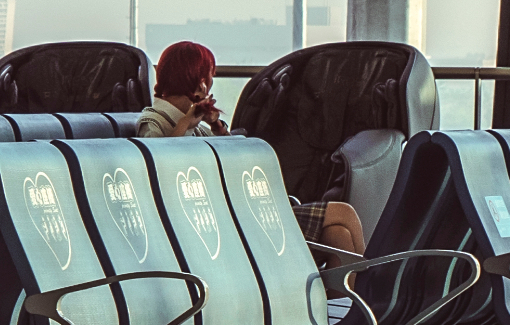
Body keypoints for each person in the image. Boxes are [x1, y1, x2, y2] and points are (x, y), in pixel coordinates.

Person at [141, 41, 359, 254]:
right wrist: (184, 124)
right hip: (228, 219)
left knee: (339, 235)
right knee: (343, 213)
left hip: (234, 211)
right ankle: (372, 287)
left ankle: (345, 291)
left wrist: (215, 125)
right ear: (201, 82)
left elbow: (229, 159)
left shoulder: (195, 125)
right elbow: (159, 170)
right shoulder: (155, 122)